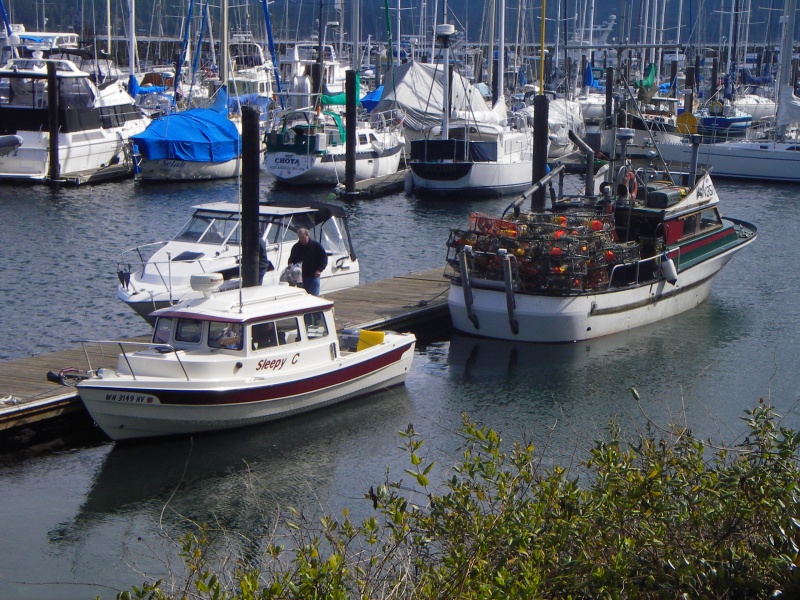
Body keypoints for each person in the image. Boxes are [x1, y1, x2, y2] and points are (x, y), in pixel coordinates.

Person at [288, 227, 327, 296]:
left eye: (303, 238)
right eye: (300, 238)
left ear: (307, 236)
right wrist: (290, 266)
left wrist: (319, 270)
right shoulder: (296, 247)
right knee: (302, 296)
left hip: (313, 276)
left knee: (313, 296)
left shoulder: (316, 246)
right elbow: (291, 259)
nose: (301, 240)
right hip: (300, 277)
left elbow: (324, 259)